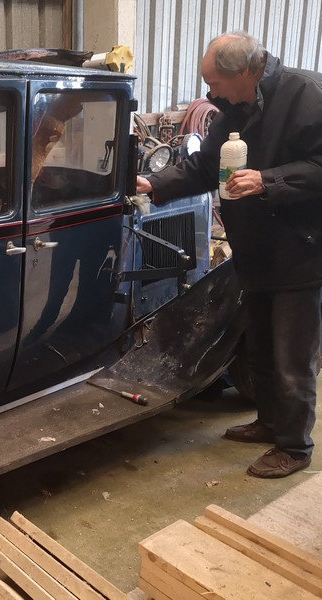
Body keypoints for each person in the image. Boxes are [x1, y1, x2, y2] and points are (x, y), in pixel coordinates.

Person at [137, 31, 322, 478]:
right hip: (255, 251)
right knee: (259, 348)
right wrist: (153, 184)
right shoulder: (234, 107)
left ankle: (295, 447)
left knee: (291, 357)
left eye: (214, 83)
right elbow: (205, 168)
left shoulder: (307, 95)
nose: (209, 93)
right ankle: (269, 423)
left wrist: (268, 180)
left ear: (246, 72)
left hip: (301, 252)